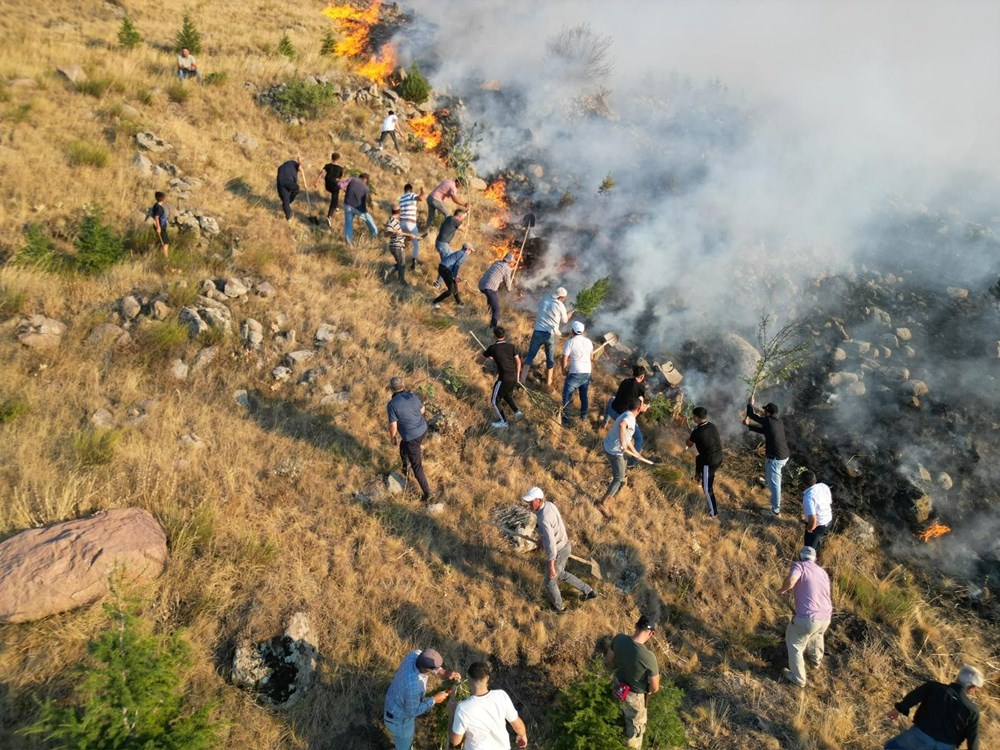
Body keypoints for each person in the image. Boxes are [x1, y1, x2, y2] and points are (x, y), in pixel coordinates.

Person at [521, 486, 597, 613]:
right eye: (528, 501)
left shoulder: (543, 518)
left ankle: (559, 608)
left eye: (531, 501)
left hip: (559, 550)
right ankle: (588, 591)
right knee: (560, 573)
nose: (529, 504)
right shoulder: (549, 505)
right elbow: (554, 527)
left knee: (550, 581)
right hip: (564, 544)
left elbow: (551, 544)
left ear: (539, 500)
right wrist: (542, 540)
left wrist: (551, 564)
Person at [884, 665, 983, 750]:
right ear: (971, 687)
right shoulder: (972, 710)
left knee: (891, 746)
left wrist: (897, 710)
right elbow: (972, 738)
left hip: (919, 736)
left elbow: (913, 697)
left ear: (958, 677)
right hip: (945, 747)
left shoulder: (933, 687)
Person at [383, 648, 461, 750]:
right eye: (434, 668)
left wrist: (445, 673)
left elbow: (432, 667)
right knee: (404, 745)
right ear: (427, 669)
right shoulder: (413, 685)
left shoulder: (415, 655)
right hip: (399, 720)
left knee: (401, 740)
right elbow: (413, 711)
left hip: (394, 701)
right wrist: (434, 700)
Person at [777, 546, 832, 688]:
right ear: (815, 559)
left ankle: (798, 678)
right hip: (825, 616)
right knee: (817, 635)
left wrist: (782, 590)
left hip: (807, 617)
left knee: (794, 643)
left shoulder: (799, 566)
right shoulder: (823, 572)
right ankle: (815, 662)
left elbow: (791, 581)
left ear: (801, 557)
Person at [605, 616, 660, 749]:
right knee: (635, 731)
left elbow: (609, 661)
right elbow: (655, 687)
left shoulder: (619, 639)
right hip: (634, 697)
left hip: (617, 685)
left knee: (616, 715)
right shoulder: (649, 657)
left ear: (636, 626)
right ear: (651, 634)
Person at [449, 662, 528, 749]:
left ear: (469, 679)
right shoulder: (501, 696)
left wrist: (452, 714)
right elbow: (518, 725)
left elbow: (455, 741)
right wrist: (522, 735)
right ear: (487, 678)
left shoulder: (462, 708)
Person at [596, 399, 649, 519]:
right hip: (615, 451)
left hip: (609, 446)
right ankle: (603, 503)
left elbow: (627, 437)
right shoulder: (629, 418)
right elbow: (622, 425)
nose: (645, 406)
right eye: (643, 405)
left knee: (622, 475)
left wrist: (635, 452)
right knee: (618, 479)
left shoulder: (628, 414)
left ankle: (615, 492)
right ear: (638, 409)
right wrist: (622, 443)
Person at [387, 376, 432, 502]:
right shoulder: (412, 395)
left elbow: (393, 425)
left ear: (391, 389)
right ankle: (405, 467)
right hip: (423, 429)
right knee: (403, 446)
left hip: (412, 437)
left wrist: (393, 437)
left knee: (417, 466)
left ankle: (428, 493)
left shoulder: (392, 405)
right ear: (403, 385)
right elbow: (422, 410)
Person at [745, 399, 790, 517]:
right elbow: (764, 430)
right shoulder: (777, 421)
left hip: (777, 459)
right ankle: (767, 482)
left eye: (765, 411)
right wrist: (749, 425)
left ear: (769, 413)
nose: (764, 412)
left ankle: (775, 511)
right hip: (782, 455)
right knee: (767, 465)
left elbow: (751, 415)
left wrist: (750, 403)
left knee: (776, 486)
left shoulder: (768, 421)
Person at [521, 287, 573, 388]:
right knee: (550, 358)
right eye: (564, 298)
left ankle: (522, 379)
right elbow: (565, 321)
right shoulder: (560, 305)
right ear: (561, 297)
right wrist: (569, 315)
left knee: (530, 356)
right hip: (550, 334)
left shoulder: (545, 299)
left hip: (537, 331)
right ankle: (548, 383)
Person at [479, 326, 521, 429]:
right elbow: (518, 361)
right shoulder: (511, 346)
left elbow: (479, 361)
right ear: (504, 335)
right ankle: (517, 412)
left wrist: (488, 357)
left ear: (494, 336)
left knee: (494, 401)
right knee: (507, 395)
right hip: (514, 376)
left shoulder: (492, 348)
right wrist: (518, 376)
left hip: (504, 378)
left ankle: (503, 422)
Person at [685, 406, 723, 519]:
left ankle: (713, 513)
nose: (693, 418)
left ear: (696, 418)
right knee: (698, 458)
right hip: (719, 456)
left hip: (709, 461)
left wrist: (689, 437)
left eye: (693, 417)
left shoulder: (696, 432)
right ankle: (697, 477)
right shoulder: (712, 426)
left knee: (707, 488)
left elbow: (689, 444)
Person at [605, 365, 648, 461]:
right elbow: (639, 407)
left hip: (612, 410)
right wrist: (644, 408)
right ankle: (633, 462)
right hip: (622, 417)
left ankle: (604, 423)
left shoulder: (624, 381)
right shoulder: (640, 387)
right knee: (639, 438)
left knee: (612, 399)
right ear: (642, 377)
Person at [561, 321, 594, 427]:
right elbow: (591, 357)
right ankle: (583, 418)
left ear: (572, 331)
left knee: (567, 396)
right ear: (583, 331)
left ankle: (566, 419)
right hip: (586, 373)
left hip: (575, 373)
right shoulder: (589, 342)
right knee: (584, 396)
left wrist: (563, 369)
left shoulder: (570, 342)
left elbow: (564, 358)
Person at [801, 470, 833, 559]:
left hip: (818, 526)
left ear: (803, 483)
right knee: (817, 538)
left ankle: (812, 561)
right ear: (815, 479)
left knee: (808, 550)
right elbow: (830, 502)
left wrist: (809, 529)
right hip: (829, 521)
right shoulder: (823, 486)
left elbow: (813, 520)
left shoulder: (808, 497)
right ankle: (818, 550)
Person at [478, 253, 516, 328]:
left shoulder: (497, 262)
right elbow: (508, 285)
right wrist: (510, 289)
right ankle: (493, 327)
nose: (512, 263)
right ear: (510, 261)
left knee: (491, 300)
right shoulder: (507, 269)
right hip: (490, 288)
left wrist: (511, 269)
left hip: (481, 284)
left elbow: (503, 269)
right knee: (497, 309)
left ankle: (487, 315)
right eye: (512, 262)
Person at [431, 243, 474, 308]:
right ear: (467, 249)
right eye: (471, 250)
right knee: (451, 290)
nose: (471, 252)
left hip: (442, 268)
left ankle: (460, 304)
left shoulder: (459, 252)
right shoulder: (464, 255)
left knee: (454, 287)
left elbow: (453, 265)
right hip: (446, 269)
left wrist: (456, 276)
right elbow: (457, 265)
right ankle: (434, 302)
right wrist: (455, 276)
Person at [384, 205, 418, 287]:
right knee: (402, 264)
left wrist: (408, 236)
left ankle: (388, 271)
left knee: (401, 263)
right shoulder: (392, 221)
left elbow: (399, 234)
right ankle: (401, 281)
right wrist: (392, 232)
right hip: (397, 247)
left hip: (397, 246)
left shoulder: (395, 221)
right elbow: (386, 234)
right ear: (399, 212)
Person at [433, 208, 466, 287]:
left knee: (449, 262)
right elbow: (462, 228)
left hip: (441, 243)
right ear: (459, 216)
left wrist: (466, 214)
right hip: (443, 244)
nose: (462, 219)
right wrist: (466, 225)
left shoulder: (449, 218)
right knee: (447, 264)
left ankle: (452, 278)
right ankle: (437, 284)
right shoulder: (454, 220)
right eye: (462, 217)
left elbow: (461, 222)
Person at [344, 173, 378, 245]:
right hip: (358, 208)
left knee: (348, 224)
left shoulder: (352, 179)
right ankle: (375, 236)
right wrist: (364, 211)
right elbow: (363, 201)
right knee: (369, 220)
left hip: (347, 205)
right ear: (365, 179)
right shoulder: (366, 188)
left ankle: (348, 242)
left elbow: (343, 186)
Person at [398, 183, 424, 269]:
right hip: (411, 224)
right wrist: (422, 191)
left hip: (401, 223)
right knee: (415, 244)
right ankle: (414, 262)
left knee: (401, 243)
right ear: (411, 190)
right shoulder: (412, 195)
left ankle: (401, 260)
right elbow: (420, 198)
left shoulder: (401, 198)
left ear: (404, 190)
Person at [314, 153, 343, 228]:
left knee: (335, 195)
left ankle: (336, 207)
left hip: (327, 186)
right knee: (334, 198)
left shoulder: (327, 166)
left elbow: (321, 173)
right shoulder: (340, 169)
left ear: (332, 158)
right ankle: (329, 217)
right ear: (338, 159)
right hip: (334, 186)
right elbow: (338, 179)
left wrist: (317, 182)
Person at [149, 191, 169, 258]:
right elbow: (156, 217)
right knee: (165, 243)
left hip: (159, 227)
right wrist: (158, 227)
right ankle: (165, 258)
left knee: (162, 243)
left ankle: (159, 256)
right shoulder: (159, 208)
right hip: (161, 228)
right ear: (163, 199)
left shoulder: (156, 205)